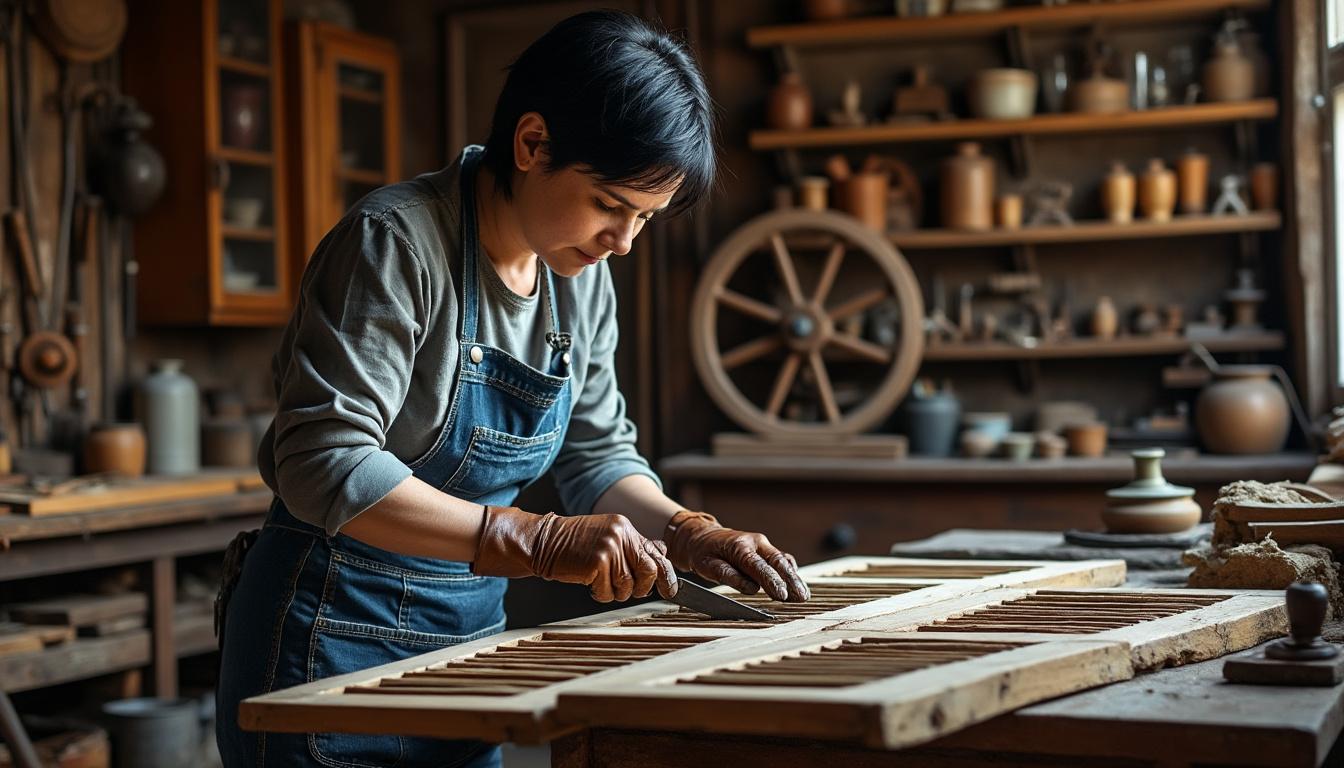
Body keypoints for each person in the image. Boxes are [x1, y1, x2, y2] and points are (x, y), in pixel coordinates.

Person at [215, 10, 809, 768]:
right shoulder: (396, 245)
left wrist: (686, 530)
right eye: (611, 206)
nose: (622, 243)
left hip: (466, 653)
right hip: (326, 651)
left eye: (645, 221)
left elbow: (597, 454)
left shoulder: (579, 277)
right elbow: (322, 461)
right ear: (533, 144)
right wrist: (533, 538)